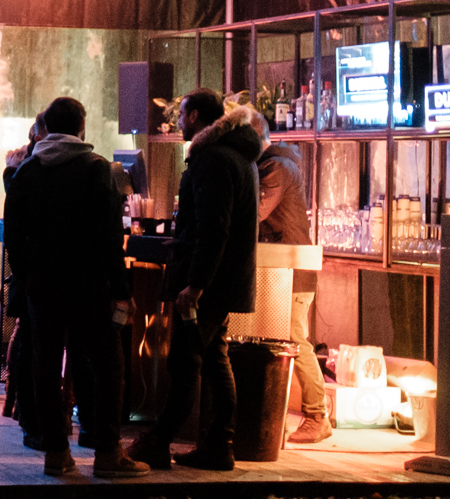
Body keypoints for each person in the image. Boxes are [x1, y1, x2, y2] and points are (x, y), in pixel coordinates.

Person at [4, 97, 136, 477]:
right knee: (107, 363)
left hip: (43, 286)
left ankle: (56, 453)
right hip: (89, 284)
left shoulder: (28, 171)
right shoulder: (97, 169)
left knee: (45, 365)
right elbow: (110, 237)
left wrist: (27, 276)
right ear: (82, 125)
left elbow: (14, 234)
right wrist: (121, 290)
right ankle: (108, 453)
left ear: (45, 127)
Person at [130, 91, 262, 471]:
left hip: (208, 282)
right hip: (227, 279)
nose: (177, 121)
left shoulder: (212, 158)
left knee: (185, 361)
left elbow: (212, 229)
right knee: (215, 358)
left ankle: (159, 441)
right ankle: (220, 444)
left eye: (182, 114)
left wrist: (196, 285)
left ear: (195, 116)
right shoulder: (240, 156)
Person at [255, 115, 331, 444]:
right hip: (283, 270)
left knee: (295, 341)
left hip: (291, 272)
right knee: (290, 340)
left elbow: (255, 211)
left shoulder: (275, 168)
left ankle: (317, 416)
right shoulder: (274, 165)